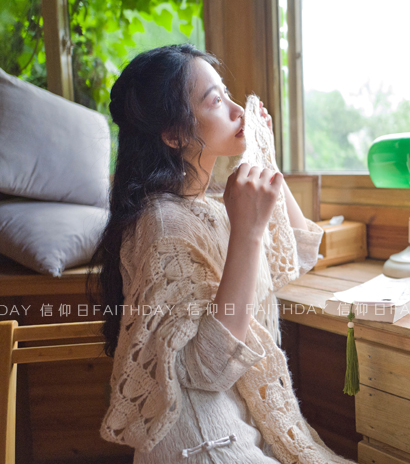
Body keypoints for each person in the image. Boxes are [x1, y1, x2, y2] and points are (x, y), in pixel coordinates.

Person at [89, 44, 353, 463]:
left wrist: (265, 155)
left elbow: (298, 253)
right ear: (174, 135)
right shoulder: (163, 226)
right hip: (201, 444)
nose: (237, 110)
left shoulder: (206, 207)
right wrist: (248, 232)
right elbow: (208, 368)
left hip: (234, 426)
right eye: (215, 100)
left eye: (228, 93)